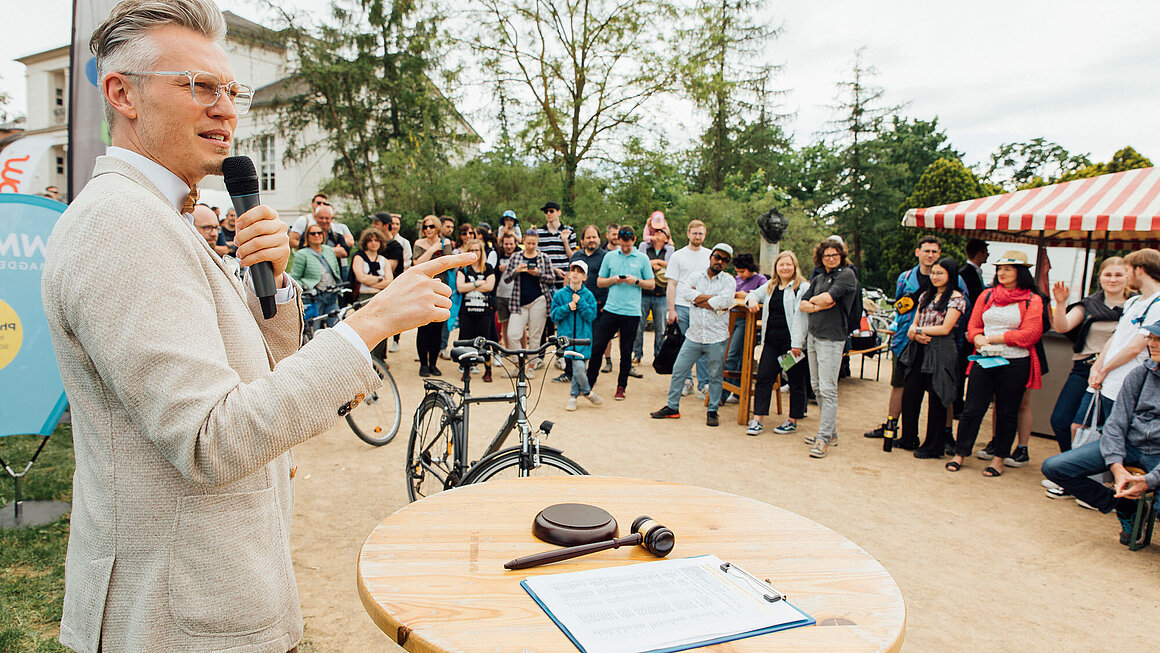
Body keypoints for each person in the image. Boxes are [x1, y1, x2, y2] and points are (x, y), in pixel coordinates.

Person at [42, 1, 473, 649]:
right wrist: (371, 321)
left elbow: (254, 382)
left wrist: (268, 288)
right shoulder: (120, 223)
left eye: (232, 89)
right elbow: (211, 438)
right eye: (200, 86)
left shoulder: (163, 218)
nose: (226, 108)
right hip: (174, 618)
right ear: (121, 93)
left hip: (209, 597)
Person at [1041, 320, 1160, 547]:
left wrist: (1150, 480)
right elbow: (1116, 423)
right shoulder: (1140, 373)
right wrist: (1116, 466)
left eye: (1157, 339)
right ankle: (1124, 507)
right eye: (1151, 338)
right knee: (1055, 467)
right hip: (1129, 445)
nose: (1151, 344)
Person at [946, 251, 1046, 477]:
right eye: (1000, 269)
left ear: (1020, 272)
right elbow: (973, 325)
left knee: (1007, 411)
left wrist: (994, 338)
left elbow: (1030, 334)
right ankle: (960, 453)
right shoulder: (987, 295)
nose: (1002, 273)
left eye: (1008, 269)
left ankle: (999, 458)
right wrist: (978, 338)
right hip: (985, 358)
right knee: (972, 408)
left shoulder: (1033, 299)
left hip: (1015, 361)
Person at [866, 236, 965, 446]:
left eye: (934, 252)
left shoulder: (956, 282)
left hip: (939, 344)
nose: (930, 255)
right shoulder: (906, 277)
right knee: (901, 385)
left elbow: (961, 314)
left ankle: (945, 433)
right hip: (906, 340)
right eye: (926, 251)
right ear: (917, 252)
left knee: (941, 389)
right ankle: (892, 425)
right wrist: (912, 330)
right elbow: (899, 306)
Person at [1047, 257, 1129, 453]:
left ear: (1128, 277)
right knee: (1060, 419)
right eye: (1108, 275)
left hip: (1117, 372)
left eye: (1119, 275)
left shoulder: (1135, 307)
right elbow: (1062, 326)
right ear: (1100, 277)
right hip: (1084, 368)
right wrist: (1060, 303)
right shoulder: (1088, 304)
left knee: (1093, 425)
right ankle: (1067, 463)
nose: (1113, 279)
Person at [651, 244, 735, 426]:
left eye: (724, 260)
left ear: (727, 263)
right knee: (679, 370)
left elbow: (725, 301)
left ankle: (712, 410)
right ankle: (672, 407)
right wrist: (711, 299)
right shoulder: (696, 276)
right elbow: (686, 294)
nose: (719, 262)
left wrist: (700, 299)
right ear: (711, 256)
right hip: (694, 334)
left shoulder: (729, 281)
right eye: (717, 257)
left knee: (714, 375)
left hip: (716, 336)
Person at [899, 257, 967, 458]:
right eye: (933, 273)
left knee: (938, 396)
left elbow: (946, 328)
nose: (935, 277)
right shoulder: (926, 296)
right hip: (919, 347)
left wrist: (918, 330)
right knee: (911, 393)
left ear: (951, 275)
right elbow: (913, 323)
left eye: (940, 273)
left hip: (941, 350)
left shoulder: (956, 298)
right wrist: (914, 333)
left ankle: (933, 445)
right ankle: (908, 437)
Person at [799, 238, 859, 458]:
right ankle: (830, 432)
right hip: (814, 336)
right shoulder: (820, 277)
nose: (831, 259)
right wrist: (817, 305)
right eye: (827, 256)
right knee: (816, 386)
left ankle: (823, 437)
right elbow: (804, 303)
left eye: (835, 255)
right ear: (820, 258)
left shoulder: (846, 275)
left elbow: (829, 298)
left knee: (828, 388)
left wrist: (817, 302)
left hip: (832, 338)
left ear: (841, 256)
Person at [744, 250, 808, 436]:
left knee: (795, 380)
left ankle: (792, 420)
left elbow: (802, 318)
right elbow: (752, 294)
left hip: (791, 345)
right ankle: (757, 420)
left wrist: (797, 344)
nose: (785, 268)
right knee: (764, 377)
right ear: (776, 268)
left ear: (794, 266)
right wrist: (753, 301)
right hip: (771, 342)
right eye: (781, 264)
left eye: (788, 264)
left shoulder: (801, 287)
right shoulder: (771, 286)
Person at [587, 226, 655, 400]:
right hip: (611, 309)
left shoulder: (642, 258)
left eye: (628, 244)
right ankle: (588, 383)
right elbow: (600, 282)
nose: (625, 247)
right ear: (618, 241)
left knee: (626, 351)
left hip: (632, 312)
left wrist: (637, 281)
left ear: (634, 240)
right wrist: (613, 280)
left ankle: (621, 386)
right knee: (597, 347)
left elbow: (652, 284)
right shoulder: (609, 256)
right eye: (622, 244)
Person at [666, 220, 711, 397]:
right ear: (688, 234)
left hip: (702, 307)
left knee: (702, 346)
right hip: (682, 306)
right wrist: (671, 310)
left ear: (704, 235)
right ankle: (686, 381)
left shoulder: (709, 255)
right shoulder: (678, 255)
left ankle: (704, 384)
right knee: (684, 347)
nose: (697, 236)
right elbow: (671, 283)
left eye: (700, 233)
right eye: (694, 233)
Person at [502, 230, 556, 377]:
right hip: (518, 302)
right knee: (513, 334)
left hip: (539, 300)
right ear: (523, 242)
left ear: (537, 243)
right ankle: (518, 365)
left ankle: (531, 366)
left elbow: (552, 279)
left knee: (535, 335)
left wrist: (537, 273)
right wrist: (516, 270)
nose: (531, 246)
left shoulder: (544, 258)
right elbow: (506, 278)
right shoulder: (516, 257)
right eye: (528, 243)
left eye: (534, 243)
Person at [551, 261, 602, 409]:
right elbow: (554, 316)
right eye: (573, 270)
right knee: (576, 368)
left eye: (579, 272)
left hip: (583, 339)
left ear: (585, 277)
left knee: (579, 367)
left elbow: (591, 316)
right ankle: (586, 392)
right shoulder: (560, 295)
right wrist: (567, 307)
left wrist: (581, 304)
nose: (575, 274)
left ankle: (574, 396)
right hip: (566, 340)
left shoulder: (588, 295)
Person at [721, 252, 767, 404]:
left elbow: (764, 298)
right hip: (732, 319)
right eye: (738, 272)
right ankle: (733, 390)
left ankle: (724, 393)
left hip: (747, 321)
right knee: (732, 355)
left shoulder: (760, 280)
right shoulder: (737, 279)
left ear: (750, 268)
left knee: (736, 356)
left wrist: (746, 295)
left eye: (742, 271)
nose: (740, 274)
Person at [413, 215, 455, 376]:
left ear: (437, 227)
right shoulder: (419, 243)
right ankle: (423, 364)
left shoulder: (446, 243)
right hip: (423, 288)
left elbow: (448, 263)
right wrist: (432, 249)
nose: (428, 230)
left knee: (437, 328)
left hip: (440, 288)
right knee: (423, 328)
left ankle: (433, 364)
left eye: (431, 226)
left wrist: (441, 246)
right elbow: (417, 263)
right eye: (425, 227)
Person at [456, 239, 498, 382]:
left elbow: (490, 286)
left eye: (477, 250)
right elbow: (460, 288)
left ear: (482, 252)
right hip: (467, 312)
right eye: (472, 250)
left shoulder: (488, 268)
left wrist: (470, 285)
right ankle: (466, 369)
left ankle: (488, 370)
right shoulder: (463, 269)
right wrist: (478, 283)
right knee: (466, 340)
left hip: (484, 312)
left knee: (484, 342)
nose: (475, 253)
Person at [290, 224, 343, 326]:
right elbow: (295, 278)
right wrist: (306, 287)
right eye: (313, 233)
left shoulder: (328, 250)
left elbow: (336, 269)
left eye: (319, 233)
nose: (316, 235)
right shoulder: (302, 254)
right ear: (307, 237)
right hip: (314, 297)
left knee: (336, 325)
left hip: (331, 294)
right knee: (314, 327)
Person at [634, 226, 672, 365]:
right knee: (639, 326)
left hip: (661, 295)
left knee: (660, 328)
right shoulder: (645, 248)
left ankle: (659, 356)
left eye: (661, 232)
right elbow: (638, 262)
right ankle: (637, 355)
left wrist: (658, 263)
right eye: (656, 231)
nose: (658, 233)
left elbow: (671, 265)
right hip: (644, 293)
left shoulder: (669, 251)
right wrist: (653, 264)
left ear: (667, 238)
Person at [352, 226, 392, 303]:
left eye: (376, 240)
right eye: (370, 241)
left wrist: (369, 283)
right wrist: (380, 279)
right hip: (363, 296)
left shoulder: (384, 260)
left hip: (380, 296)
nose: (373, 243)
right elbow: (361, 278)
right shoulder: (359, 258)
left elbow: (389, 282)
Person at [495, 231, 520, 348]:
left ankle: (522, 349)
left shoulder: (520, 256)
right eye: (506, 244)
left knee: (519, 325)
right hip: (501, 294)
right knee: (505, 323)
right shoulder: (498, 256)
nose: (509, 246)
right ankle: (508, 348)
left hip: (516, 295)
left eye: (511, 244)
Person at [960, 238, 989, 304]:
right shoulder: (967, 272)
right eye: (986, 252)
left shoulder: (971, 270)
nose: (987, 255)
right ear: (979, 254)